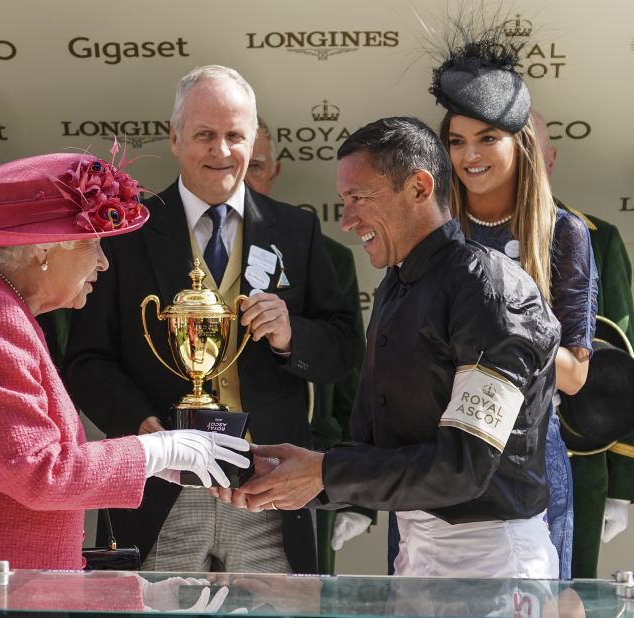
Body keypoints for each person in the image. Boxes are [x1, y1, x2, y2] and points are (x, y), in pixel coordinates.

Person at [0, 151, 250, 577]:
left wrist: (158, 463)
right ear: (44, 251)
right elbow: (39, 471)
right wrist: (154, 450)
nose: (104, 262)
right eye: (93, 243)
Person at [234, 116, 562, 579]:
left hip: (495, 563)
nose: (346, 220)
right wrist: (291, 472)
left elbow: (463, 467)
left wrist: (323, 473)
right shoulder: (396, 285)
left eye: (358, 199)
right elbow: (375, 448)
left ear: (420, 187)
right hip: (414, 551)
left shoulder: (490, 291)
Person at [63, 65, 360, 574]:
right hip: (162, 488)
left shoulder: (297, 231)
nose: (221, 152)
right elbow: (88, 360)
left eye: (234, 136)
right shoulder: (127, 234)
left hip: (266, 488)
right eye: (204, 135)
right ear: (174, 138)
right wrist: (148, 434)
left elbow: (342, 351)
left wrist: (292, 337)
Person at [432, 38, 598, 579]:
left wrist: (513, 323)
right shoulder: (434, 230)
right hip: (434, 455)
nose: (469, 156)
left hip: (530, 459)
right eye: (456, 141)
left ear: (521, 140)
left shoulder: (563, 234)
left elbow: (574, 377)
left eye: (487, 138)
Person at [245, 116, 370, 574]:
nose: (243, 178)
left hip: (304, 465)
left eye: (255, 166)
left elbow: (351, 372)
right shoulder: (187, 245)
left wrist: (357, 495)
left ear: (274, 172)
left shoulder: (325, 251)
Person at [531, 110, 634, 577]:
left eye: (533, 149)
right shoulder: (455, 238)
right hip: (474, 454)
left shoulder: (597, 238)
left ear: (551, 159)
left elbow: (623, 359)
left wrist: (623, 484)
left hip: (578, 456)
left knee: (571, 598)